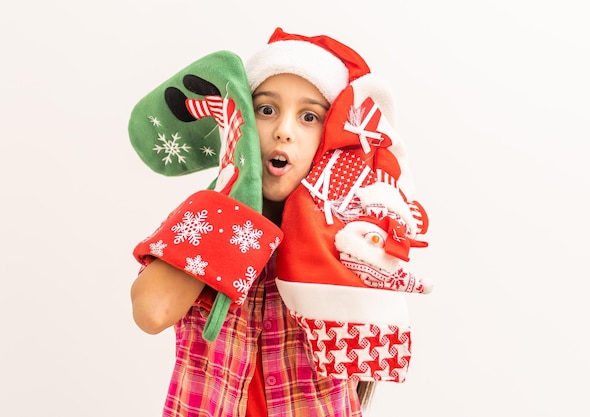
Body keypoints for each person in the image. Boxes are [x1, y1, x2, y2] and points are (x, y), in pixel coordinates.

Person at [130, 27, 427, 417]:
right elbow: (152, 311)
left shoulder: (346, 239)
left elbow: (363, 361)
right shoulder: (206, 213)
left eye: (308, 117)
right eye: (266, 109)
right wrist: (235, 202)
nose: (283, 131)